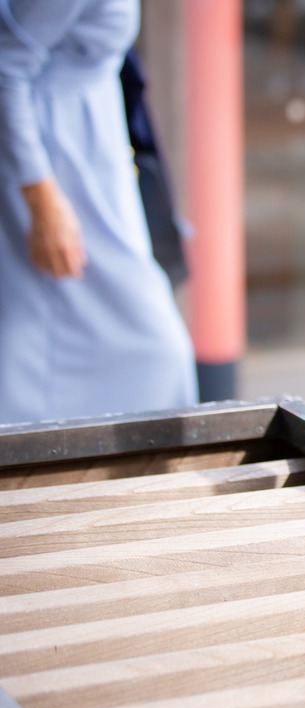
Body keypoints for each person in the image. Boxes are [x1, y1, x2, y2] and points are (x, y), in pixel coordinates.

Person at [0, 0, 198, 425]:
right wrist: (42, 198)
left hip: (85, 154)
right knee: (154, 349)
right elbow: (5, 67)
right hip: (56, 163)